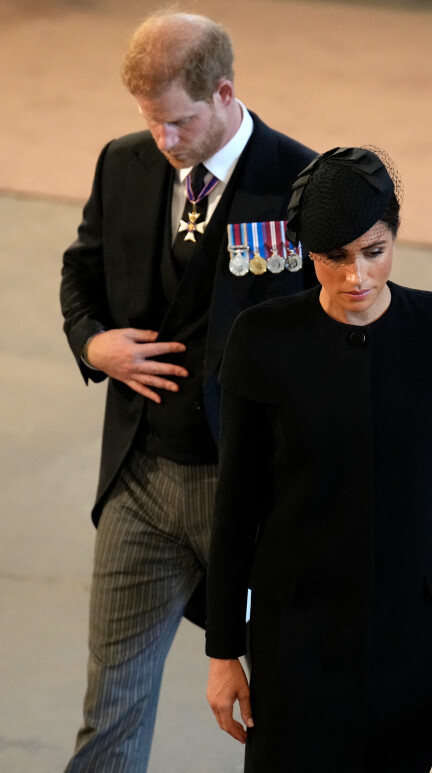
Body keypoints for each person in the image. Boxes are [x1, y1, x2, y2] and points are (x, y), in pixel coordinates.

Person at [205, 147, 432, 773]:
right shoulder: (262, 340)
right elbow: (236, 506)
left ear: (395, 236)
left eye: (373, 251)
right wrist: (223, 653)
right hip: (298, 639)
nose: (356, 275)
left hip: (420, 639)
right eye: (334, 258)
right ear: (307, 253)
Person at [60, 10, 316, 771]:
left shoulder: (300, 182)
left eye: (176, 122)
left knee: (279, 705)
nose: (163, 141)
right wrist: (92, 342)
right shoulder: (125, 162)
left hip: (249, 490)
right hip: (138, 479)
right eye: (149, 121)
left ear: (225, 92)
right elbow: (82, 268)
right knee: (109, 710)